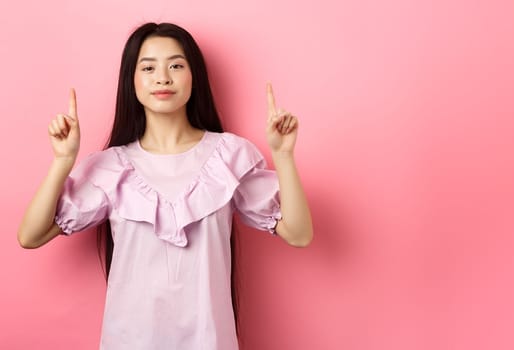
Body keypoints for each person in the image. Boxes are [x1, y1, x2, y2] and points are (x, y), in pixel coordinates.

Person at [17, 22, 313, 349]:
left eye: (176, 65)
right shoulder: (111, 167)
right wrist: (62, 161)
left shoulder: (229, 156)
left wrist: (284, 154)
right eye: (148, 67)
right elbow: (31, 236)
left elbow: (299, 234)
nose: (163, 77)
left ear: (194, 76)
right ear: (131, 80)